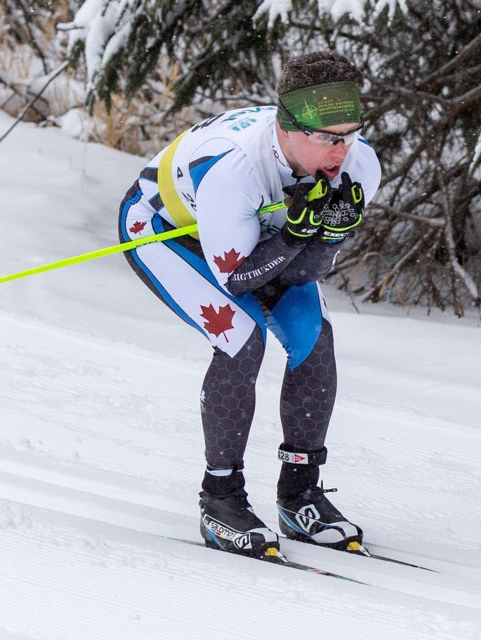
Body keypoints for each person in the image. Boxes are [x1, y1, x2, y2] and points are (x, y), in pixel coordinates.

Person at [118, 51, 381, 560]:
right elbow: (237, 280)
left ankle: (299, 494)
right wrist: (298, 235)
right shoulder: (234, 167)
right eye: (328, 139)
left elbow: (302, 275)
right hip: (165, 231)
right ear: (287, 127)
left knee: (313, 338)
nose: (342, 151)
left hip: (252, 238)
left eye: (349, 134)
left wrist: (324, 237)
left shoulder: (360, 162)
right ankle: (220, 498)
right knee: (242, 339)